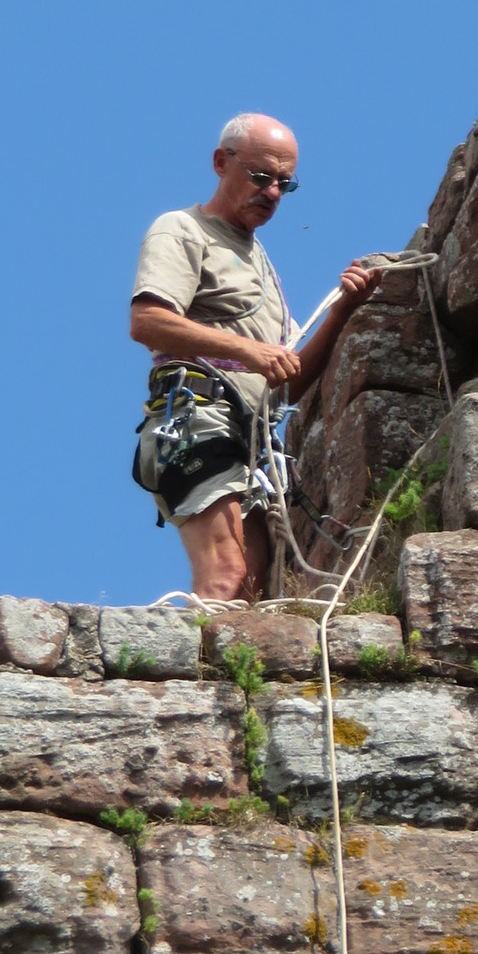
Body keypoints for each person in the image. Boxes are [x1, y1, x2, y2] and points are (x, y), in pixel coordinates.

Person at [130, 113, 381, 602]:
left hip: (247, 438)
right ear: (221, 162)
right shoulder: (182, 230)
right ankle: (178, 654)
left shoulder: (261, 265)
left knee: (250, 588)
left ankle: (219, 654)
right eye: (261, 176)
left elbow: (285, 386)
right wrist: (249, 350)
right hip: (197, 417)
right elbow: (147, 321)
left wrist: (343, 311)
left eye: (285, 184)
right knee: (226, 574)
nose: (272, 193)